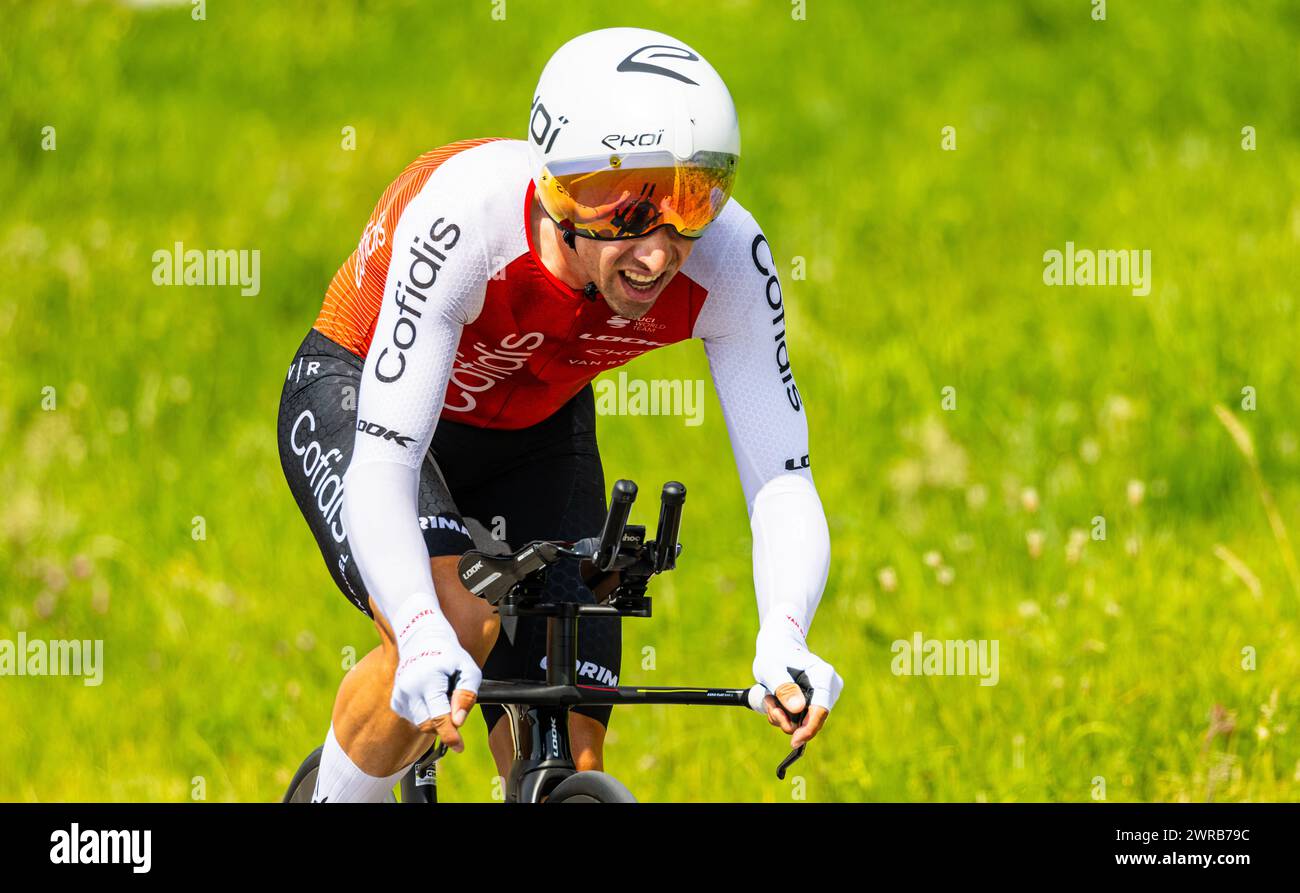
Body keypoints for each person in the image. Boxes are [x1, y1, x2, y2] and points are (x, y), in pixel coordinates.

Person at [277, 26, 842, 802]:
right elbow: (385, 464)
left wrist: (786, 631)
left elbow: (782, 478)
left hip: (534, 427)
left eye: (691, 198)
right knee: (460, 620)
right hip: (367, 398)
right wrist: (414, 630)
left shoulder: (729, 262)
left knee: (571, 745)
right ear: (559, 191)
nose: (658, 251)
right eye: (626, 210)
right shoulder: (466, 219)